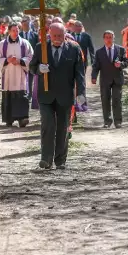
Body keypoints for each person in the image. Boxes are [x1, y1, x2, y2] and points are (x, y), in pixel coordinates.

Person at [29, 23, 86, 170]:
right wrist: (39, 70)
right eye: (54, 36)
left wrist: (81, 93)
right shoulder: (40, 47)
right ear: (49, 34)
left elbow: (79, 73)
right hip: (46, 95)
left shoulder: (74, 49)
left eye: (60, 36)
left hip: (65, 95)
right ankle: (46, 159)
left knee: (63, 128)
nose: (57, 39)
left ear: (65, 34)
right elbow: (32, 66)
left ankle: (60, 160)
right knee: (47, 125)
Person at [0, 22, 34, 127]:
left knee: (21, 95)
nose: (15, 33)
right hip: (8, 74)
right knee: (9, 95)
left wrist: (20, 61)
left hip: (20, 73)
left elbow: (31, 57)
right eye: (13, 31)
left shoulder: (25, 43)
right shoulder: (3, 44)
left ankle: (23, 118)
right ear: (9, 31)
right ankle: (9, 118)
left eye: (17, 30)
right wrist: (7, 60)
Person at [91, 30, 128, 128]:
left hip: (117, 79)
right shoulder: (99, 52)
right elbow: (96, 66)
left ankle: (118, 121)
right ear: (104, 39)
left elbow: (126, 62)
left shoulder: (120, 50)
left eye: (110, 37)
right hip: (105, 79)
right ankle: (107, 121)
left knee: (117, 100)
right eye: (106, 37)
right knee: (105, 100)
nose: (108, 39)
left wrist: (121, 64)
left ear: (113, 38)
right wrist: (94, 76)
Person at [20, 16, 39, 99]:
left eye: (27, 25)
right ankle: (22, 93)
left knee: (31, 77)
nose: (26, 26)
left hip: (32, 60)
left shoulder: (34, 35)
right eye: (24, 25)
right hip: (21, 60)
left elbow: (37, 47)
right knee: (22, 77)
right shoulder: (19, 35)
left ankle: (30, 94)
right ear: (22, 25)